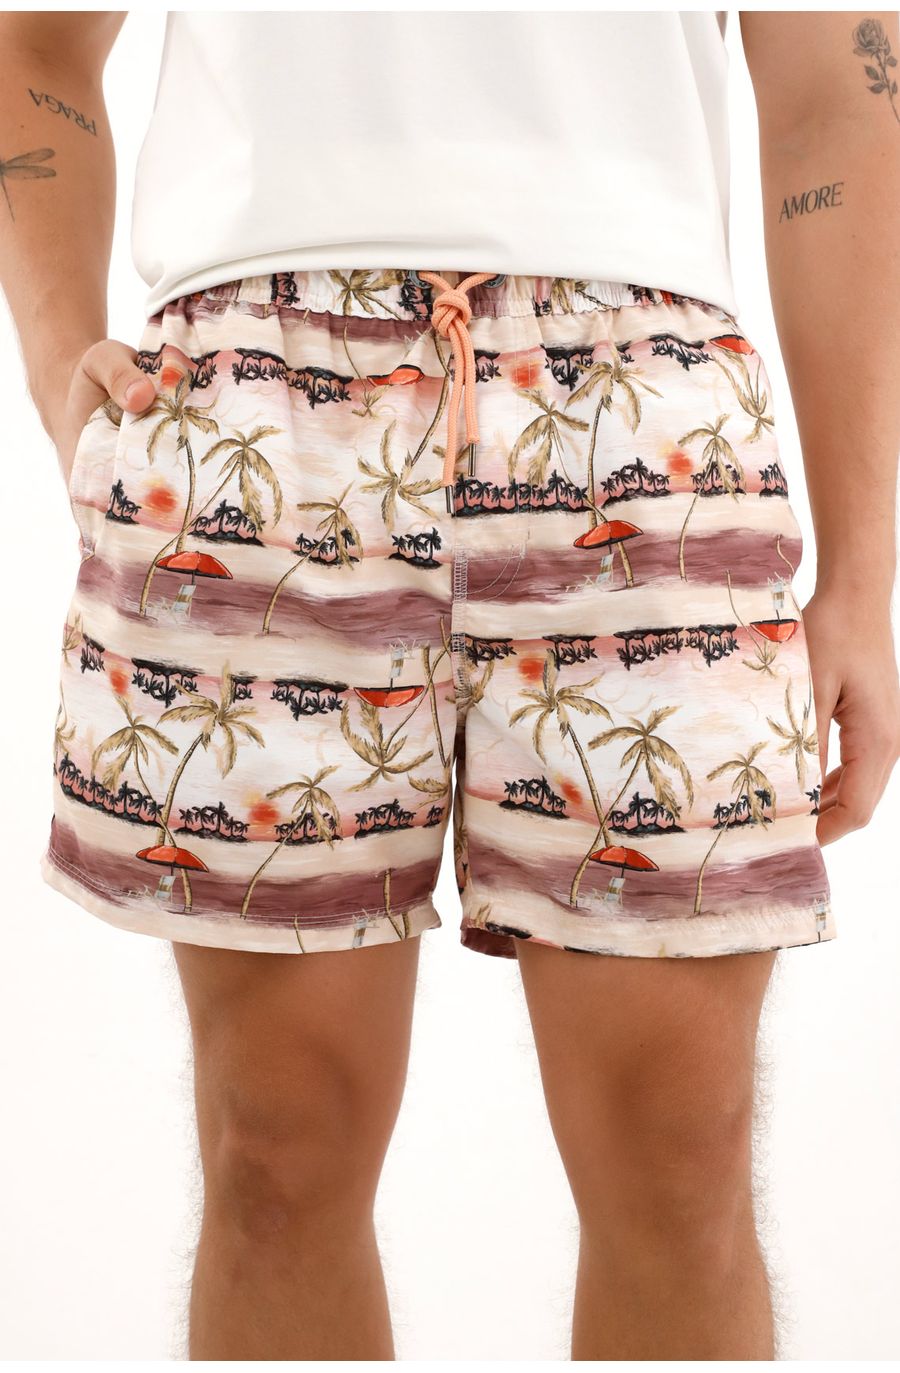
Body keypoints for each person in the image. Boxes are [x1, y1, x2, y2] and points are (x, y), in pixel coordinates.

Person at [2, 9, 898, 1361]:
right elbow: (33, 44)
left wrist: (865, 577)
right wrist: (59, 364)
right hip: (261, 403)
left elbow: (838, 85)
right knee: (275, 1141)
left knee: (680, 1148)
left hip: (641, 407)